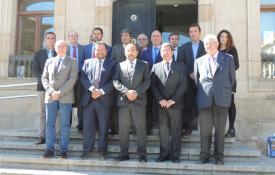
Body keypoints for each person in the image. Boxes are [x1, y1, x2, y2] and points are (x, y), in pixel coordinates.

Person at [194, 34, 236, 165]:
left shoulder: (228, 58)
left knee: (219, 132)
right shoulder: (199, 61)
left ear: (217, 44)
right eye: (206, 43)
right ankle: (204, 156)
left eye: (210, 43)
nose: (207, 45)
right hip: (204, 100)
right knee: (205, 132)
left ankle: (219, 157)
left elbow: (232, 79)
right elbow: (197, 81)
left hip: (222, 101)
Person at [113, 44, 151, 162]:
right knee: (123, 129)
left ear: (137, 52)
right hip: (124, 102)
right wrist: (126, 92)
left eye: (133, 50)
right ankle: (124, 153)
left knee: (140, 129)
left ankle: (142, 155)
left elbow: (147, 81)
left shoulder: (144, 65)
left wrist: (136, 92)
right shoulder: (119, 65)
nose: (131, 52)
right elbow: (115, 81)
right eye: (128, 50)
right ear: (125, 52)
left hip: (139, 101)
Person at [151, 43, 188, 163]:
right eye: (163, 50)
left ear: (172, 52)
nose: (165, 52)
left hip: (176, 105)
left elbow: (183, 85)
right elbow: (153, 86)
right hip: (161, 105)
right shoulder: (155, 67)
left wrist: (173, 100)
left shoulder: (181, 66)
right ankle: (163, 155)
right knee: (163, 132)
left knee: (176, 131)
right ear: (160, 53)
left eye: (167, 50)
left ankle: (175, 156)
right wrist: (160, 99)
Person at [41, 40, 78, 158]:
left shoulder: (73, 62)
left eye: (63, 46)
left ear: (66, 48)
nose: (61, 48)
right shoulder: (49, 61)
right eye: (58, 46)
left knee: (65, 124)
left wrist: (60, 92)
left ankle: (63, 150)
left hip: (65, 97)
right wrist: (52, 92)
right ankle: (50, 149)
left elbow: (72, 80)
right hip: (50, 97)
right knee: (49, 123)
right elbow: (44, 78)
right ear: (55, 49)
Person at [80, 43, 116, 160]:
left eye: (102, 50)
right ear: (94, 51)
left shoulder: (113, 63)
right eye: (97, 50)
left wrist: (100, 91)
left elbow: (114, 81)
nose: (99, 52)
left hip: (104, 100)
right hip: (89, 99)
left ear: (106, 51)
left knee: (104, 127)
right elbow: (83, 78)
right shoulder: (87, 62)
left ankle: (102, 151)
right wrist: (92, 89)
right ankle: (87, 150)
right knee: (88, 127)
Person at [32, 32, 56, 144]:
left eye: (52, 38)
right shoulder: (39, 54)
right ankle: (41, 136)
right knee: (41, 112)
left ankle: (55, 136)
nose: (50, 40)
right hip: (42, 88)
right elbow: (35, 70)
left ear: (55, 40)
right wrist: (45, 82)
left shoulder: (58, 53)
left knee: (56, 112)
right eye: (48, 38)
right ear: (45, 40)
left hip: (56, 88)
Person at [181, 23, 205, 137]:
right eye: (191, 32)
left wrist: (198, 74)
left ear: (199, 33)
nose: (193, 33)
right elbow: (181, 63)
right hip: (188, 81)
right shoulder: (184, 47)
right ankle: (188, 127)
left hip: (202, 82)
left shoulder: (205, 47)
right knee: (188, 105)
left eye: (195, 31)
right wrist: (190, 73)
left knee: (200, 105)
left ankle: (201, 126)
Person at [217, 29, 240, 138]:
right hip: (217, 82)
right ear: (219, 38)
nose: (223, 38)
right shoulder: (215, 50)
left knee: (230, 104)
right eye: (222, 36)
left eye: (226, 37)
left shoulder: (232, 50)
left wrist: (226, 72)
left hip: (229, 81)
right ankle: (219, 130)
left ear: (228, 39)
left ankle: (231, 128)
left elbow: (237, 65)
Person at [141, 30, 163, 133]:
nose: (155, 38)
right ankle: (148, 127)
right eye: (153, 36)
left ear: (161, 38)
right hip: (148, 83)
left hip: (162, 83)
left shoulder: (166, 50)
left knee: (160, 105)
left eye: (157, 36)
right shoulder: (144, 52)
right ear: (150, 38)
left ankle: (159, 126)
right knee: (148, 105)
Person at [66, 30, 85, 131]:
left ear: (78, 37)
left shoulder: (83, 48)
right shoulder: (64, 49)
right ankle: (67, 124)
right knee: (68, 101)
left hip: (80, 78)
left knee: (80, 101)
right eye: (71, 36)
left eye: (75, 36)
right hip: (68, 80)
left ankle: (80, 124)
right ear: (68, 37)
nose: (73, 37)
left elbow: (86, 62)